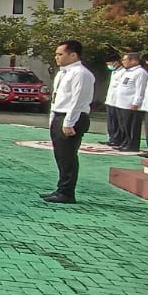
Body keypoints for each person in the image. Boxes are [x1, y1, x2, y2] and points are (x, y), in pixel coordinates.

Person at [42, 40, 95, 204]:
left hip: (72, 117)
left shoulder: (81, 73)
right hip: (60, 115)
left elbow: (77, 100)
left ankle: (67, 192)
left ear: (73, 55)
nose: (56, 57)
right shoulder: (63, 73)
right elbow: (58, 97)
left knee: (68, 156)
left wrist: (69, 122)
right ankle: (61, 188)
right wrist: (54, 118)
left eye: (60, 54)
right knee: (60, 155)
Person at [109, 52, 148, 153]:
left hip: (130, 104)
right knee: (124, 126)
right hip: (121, 103)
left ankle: (132, 145)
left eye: (125, 60)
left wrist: (136, 103)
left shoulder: (140, 72)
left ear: (134, 61)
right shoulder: (127, 72)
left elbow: (140, 89)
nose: (123, 62)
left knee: (131, 126)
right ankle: (125, 142)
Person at [102, 56, 126, 147]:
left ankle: (117, 139)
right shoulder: (114, 72)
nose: (109, 66)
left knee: (117, 122)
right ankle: (112, 138)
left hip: (117, 101)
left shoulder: (123, 72)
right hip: (110, 100)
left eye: (109, 64)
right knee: (111, 121)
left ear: (116, 62)